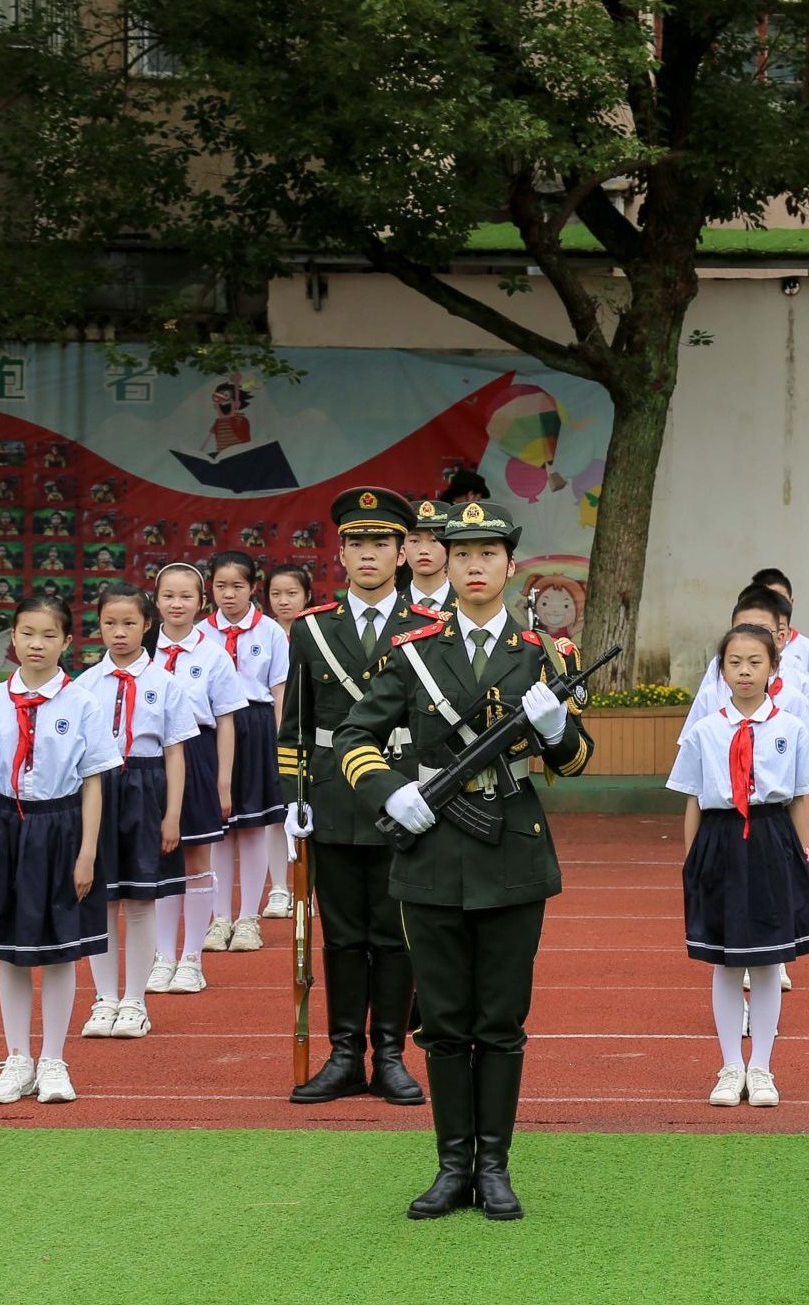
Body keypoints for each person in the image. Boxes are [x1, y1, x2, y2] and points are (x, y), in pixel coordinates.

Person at [336, 498, 594, 1219]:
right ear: (444, 563)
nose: (476, 565)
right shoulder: (412, 648)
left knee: (502, 1019)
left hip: (511, 850)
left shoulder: (546, 655)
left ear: (511, 566)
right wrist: (391, 794)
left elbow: (575, 763)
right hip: (432, 852)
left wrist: (552, 730)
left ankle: (496, 1164)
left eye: (490, 554)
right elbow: (354, 736)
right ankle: (453, 1165)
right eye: (463, 554)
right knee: (444, 1021)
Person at [282, 488, 439, 1107]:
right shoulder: (313, 630)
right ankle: (345, 1053)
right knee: (344, 936)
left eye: (381, 543)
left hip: (406, 793)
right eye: (356, 543)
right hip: (334, 799)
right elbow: (294, 724)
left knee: (396, 934)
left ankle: (392, 1055)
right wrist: (292, 796)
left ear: (404, 552)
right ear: (340, 552)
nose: (367, 553)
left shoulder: (428, 629)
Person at [0, 596, 120, 1104]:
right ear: (13, 637)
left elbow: (93, 782)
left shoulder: (83, 702)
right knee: (10, 951)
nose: (37, 644)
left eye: (49, 635)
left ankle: (53, 1060)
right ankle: (17, 1061)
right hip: (5, 828)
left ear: (67, 642)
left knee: (59, 950)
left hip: (61, 827)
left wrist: (88, 851)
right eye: (27, 633)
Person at [670, 624, 809, 1109]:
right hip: (719, 840)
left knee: (767, 958)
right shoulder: (705, 730)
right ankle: (729, 1064)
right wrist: (692, 860)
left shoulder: (791, 729)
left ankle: (761, 1067)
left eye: (755, 662)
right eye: (734, 662)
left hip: (771, 838)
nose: (744, 672)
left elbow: (802, 797)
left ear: (774, 669)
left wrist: (803, 855)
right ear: (722, 670)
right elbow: (694, 799)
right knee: (723, 960)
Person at [74, 582, 195, 1041]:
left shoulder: (165, 683)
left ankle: (135, 1001)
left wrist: (172, 816)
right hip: (99, 789)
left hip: (148, 788)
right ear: (98, 626)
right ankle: (104, 998)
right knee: (100, 898)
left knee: (142, 900)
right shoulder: (84, 685)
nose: (119, 633)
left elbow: (176, 753)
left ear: (148, 625)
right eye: (109, 624)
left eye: (129, 624)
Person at [147, 562, 245, 996]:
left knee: (196, 860)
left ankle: (191, 958)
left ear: (200, 602)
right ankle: (161, 956)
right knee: (160, 861)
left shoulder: (213, 653)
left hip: (198, 754)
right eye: (168, 596)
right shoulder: (142, 648)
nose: (177, 604)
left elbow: (226, 721)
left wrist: (223, 781)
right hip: (150, 760)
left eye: (186, 596)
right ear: (156, 600)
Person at [202, 551, 289, 957]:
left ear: (253, 587)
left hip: (255, 730)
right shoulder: (202, 633)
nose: (229, 595)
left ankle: (249, 917)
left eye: (237, 586)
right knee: (219, 826)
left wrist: (279, 741)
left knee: (253, 825)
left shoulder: (270, 631)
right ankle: (219, 917)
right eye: (221, 586)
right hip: (212, 730)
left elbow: (278, 692)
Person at [685, 585, 809, 744]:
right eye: (742, 629)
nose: (750, 638)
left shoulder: (795, 688)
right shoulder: (711, 693)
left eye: (762, 631)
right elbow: (692, 744)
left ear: (780, 637)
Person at [261, 564, 315, 917]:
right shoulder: (263, 633)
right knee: (273, 811)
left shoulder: (316, 631)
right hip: (269, 730)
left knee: (310, 808)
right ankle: (278, 887)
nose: (283, 601)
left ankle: (306, 890)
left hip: (309, 731)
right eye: (276, 594)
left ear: (307, 596)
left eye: (291, 593)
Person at [746, 569, 809, 709]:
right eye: (767, 599)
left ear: (791, 601)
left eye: (779, 598)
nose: (773, 606)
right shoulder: (729, 655)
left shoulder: (806, 649)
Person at [403, 499, 455, 611]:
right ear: (402, 548)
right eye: (414, 541)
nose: (424, 550)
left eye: (434, 540)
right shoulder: (391, 607)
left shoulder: (468, 607)